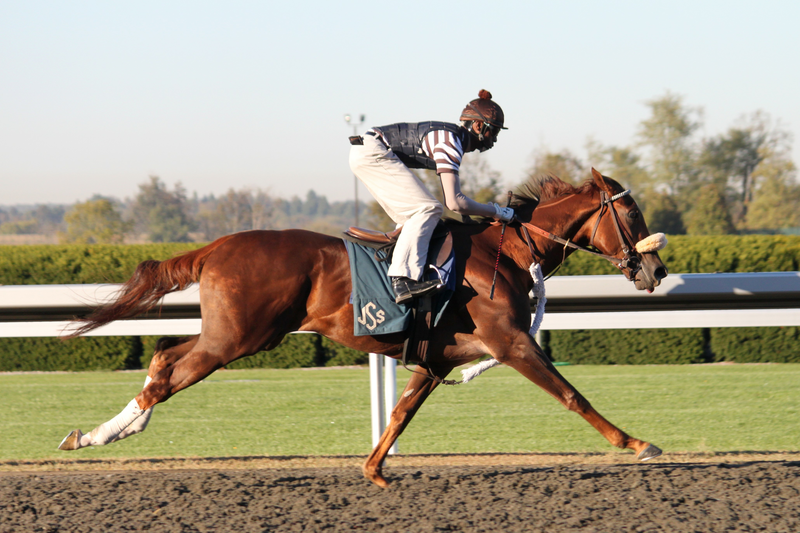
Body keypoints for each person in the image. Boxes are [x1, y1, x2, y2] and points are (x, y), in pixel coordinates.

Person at [349, 89, 514, 305]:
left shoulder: (452, 140)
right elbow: (454, 202)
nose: (494, 140)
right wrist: (498, 211)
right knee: (428, 209)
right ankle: (403, 279)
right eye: (494, 132)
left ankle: (402, 268)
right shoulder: (451, 142)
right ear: (478, 126)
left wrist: (471, 219)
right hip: (372, 152)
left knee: (419, 215)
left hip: (369, 150)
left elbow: (456, 201)